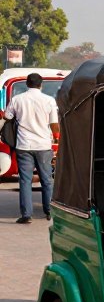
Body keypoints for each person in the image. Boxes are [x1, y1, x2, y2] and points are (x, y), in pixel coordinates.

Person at [3, 72, 59, 223]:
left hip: (24, 145)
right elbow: (54, 124)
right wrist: (57, 137)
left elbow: (7, 117)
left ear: (27, 84)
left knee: (25, 180)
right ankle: (49, 212)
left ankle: (26, 215)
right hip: (44, 146)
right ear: (41, 85)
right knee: (47, 180)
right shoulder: (49, 100)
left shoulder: (17, 99)